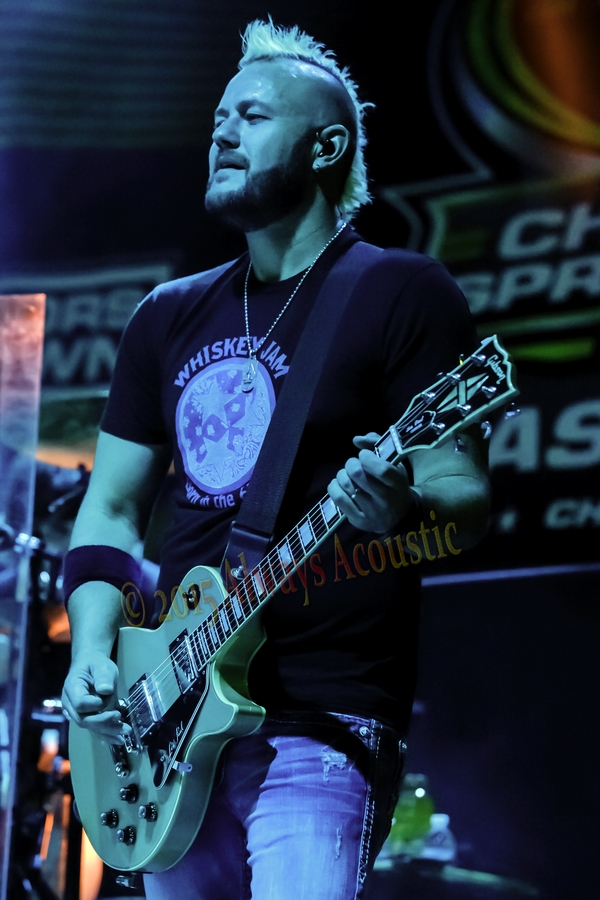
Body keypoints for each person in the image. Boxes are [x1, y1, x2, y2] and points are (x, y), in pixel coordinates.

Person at [61, 20, 490, 900]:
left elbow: (464, 498)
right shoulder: (166, 315)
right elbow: (111, 508)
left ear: (326, 147)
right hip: (167, 717)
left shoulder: (400, 291)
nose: (222, 134)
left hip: (320, 715)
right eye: (219, 119)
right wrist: (92, 651)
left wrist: (398, 510)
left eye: (252, 117)